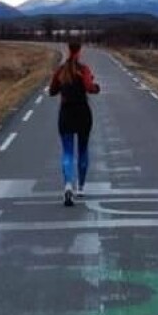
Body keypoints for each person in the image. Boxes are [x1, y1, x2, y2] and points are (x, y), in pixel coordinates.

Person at [48, 40, 100, 206]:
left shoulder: (61, 71)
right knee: (83, 150)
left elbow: (52, 91)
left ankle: (68, 185)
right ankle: (81, 187)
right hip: (83, 114)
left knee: (67, 152)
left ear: (68, 49)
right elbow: (90, 88)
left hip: (66, 114)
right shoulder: (83, 69)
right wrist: (95, 85)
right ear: (80, 51)